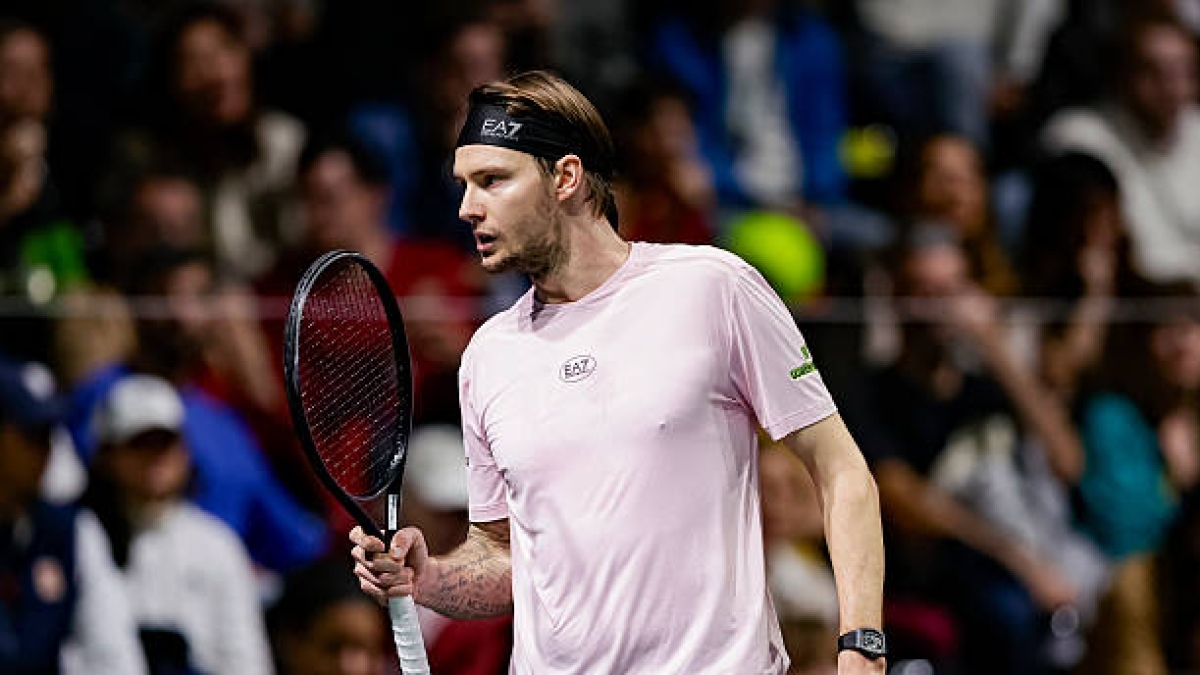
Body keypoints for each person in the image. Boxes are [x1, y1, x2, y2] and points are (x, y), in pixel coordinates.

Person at [351, 71, 886, 674]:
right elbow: (503, 556)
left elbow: (842, 472)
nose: (467, 207)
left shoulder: (713, 287)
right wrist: (428, 579)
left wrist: (862, 645)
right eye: (463, 185)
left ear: (566, 177)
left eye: (493, 180)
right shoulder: (487, 355)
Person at [83, 373, 274, 675]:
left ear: (184, 451)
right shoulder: (83, 535)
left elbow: (246, 661)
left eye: (164, 442)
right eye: (139, 444)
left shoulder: (217, 545)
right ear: (108, 455)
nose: (155, 457)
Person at [0, 355, 146, 674]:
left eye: (50, 435)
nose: (47, 450)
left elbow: (112, 652)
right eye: (32, 436)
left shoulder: (70, 530)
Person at [1041, 11, 1200, 284]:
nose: (1170, 86)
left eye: (1182, 70)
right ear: (1124, 73)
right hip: (1131, 300)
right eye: (1154, 71)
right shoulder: (1081, 140)